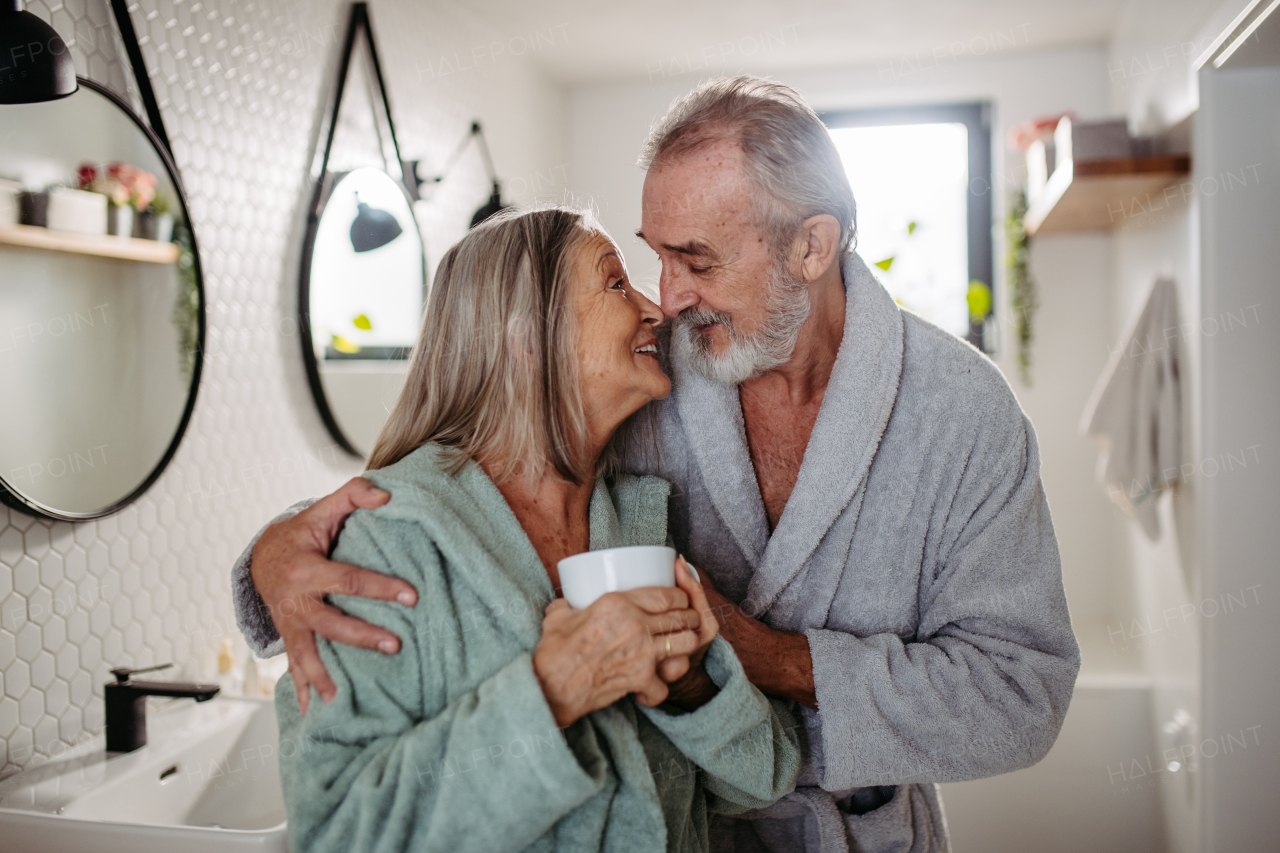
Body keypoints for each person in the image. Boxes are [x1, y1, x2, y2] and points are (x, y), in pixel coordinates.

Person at [234, 77, 1080, 853]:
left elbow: (1021, 695)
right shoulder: (655, 376)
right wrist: (274, 556)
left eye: (697, 260)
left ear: (810, 247)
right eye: (648, 260)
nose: (666, 298)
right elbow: (463, 493)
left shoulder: (960, 414)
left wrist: (762, 654)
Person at [270, 207, 800, 853]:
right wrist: (553, 689)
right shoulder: (389, 544)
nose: (655, 309)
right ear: (527, 337)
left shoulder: (638, 529)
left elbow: (761, 780)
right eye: (614, 283)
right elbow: (336, 836)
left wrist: (690, 684)